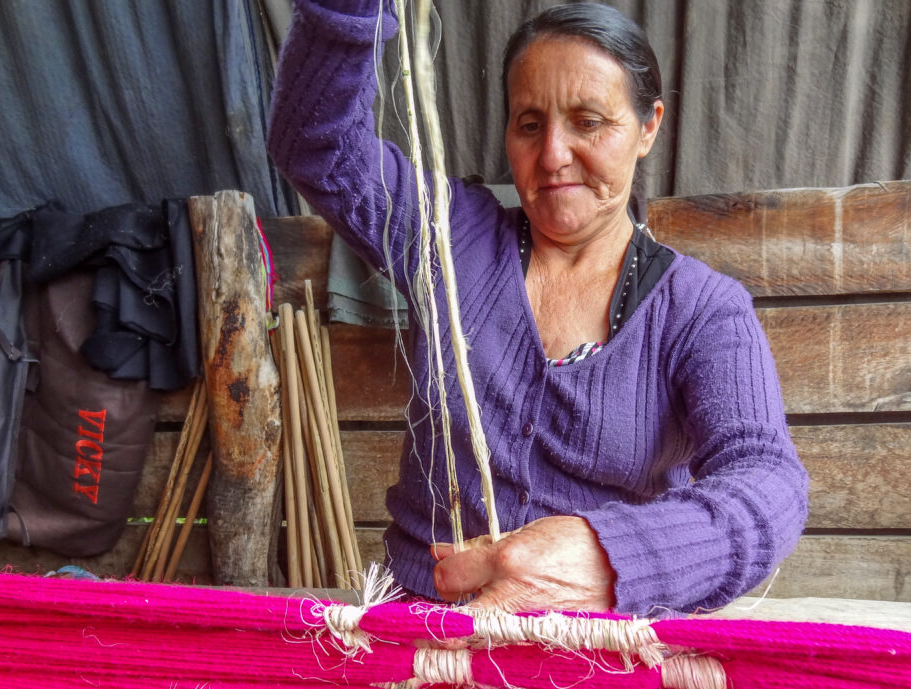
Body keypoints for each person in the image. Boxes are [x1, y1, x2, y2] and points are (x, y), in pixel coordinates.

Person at [268, 0, 809, 616]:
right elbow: (319, 148)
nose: (553, 155)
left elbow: (768, 483)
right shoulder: (451, 238)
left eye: (588, 122)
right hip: (419, 628)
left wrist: (613, 557)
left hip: (600, 646)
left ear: (648, 127)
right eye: (529, 124)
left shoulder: (701, 311)